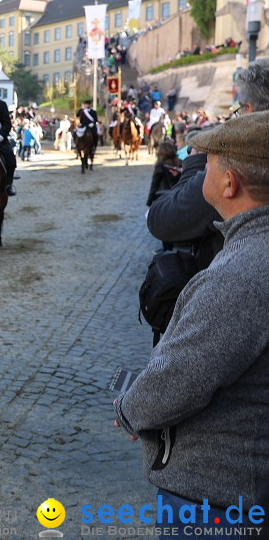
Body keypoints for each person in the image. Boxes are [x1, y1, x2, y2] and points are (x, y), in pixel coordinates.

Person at [114, 110, 269, 531]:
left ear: (228, 182)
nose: (197, 162)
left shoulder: (240, 275)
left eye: (209, 158)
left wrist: (130, 409)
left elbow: (178, 380)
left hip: (219, 497)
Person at [147, 59, 269, 268]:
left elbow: (161, 219)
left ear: (248, 109)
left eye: (239, 110)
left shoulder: (235, 163)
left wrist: (194, 163)